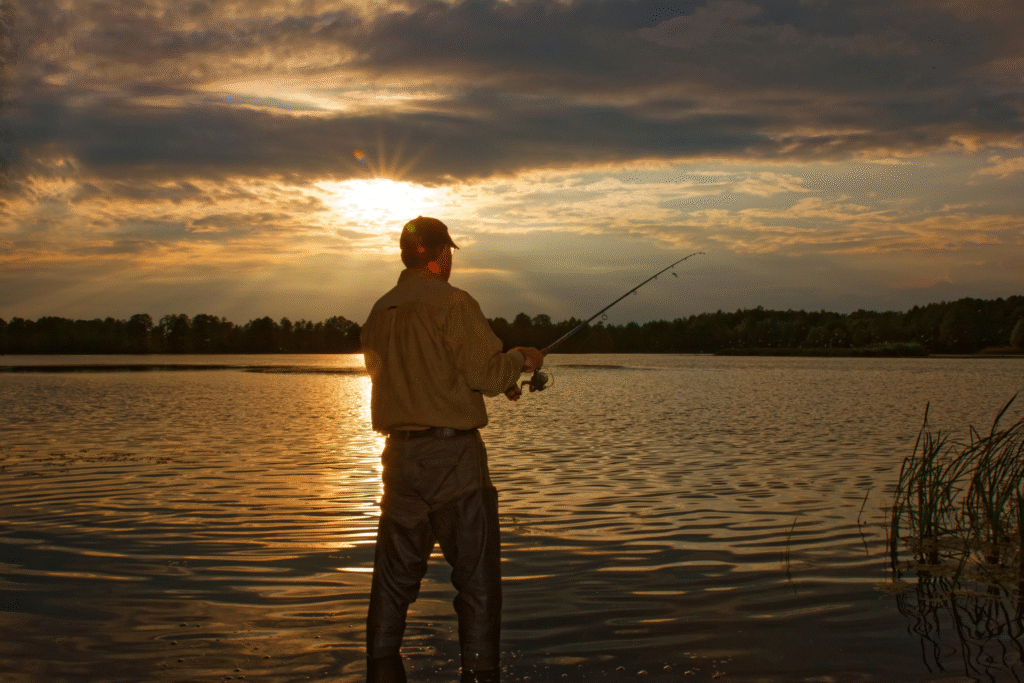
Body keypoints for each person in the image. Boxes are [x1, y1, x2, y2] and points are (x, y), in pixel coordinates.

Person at [360, 216, 544, 683]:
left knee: (392, 582)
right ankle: (481, 670)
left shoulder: (380, 310)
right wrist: (520, 359)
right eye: (449, 254)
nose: (450, 261)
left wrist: (489, 382)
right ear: (441, 255)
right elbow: (485, 374)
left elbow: (409, 375)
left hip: (398, 461)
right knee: (477, 582)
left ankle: (379, 662)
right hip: (454, 463)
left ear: (406, 255)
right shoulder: (455, 303)